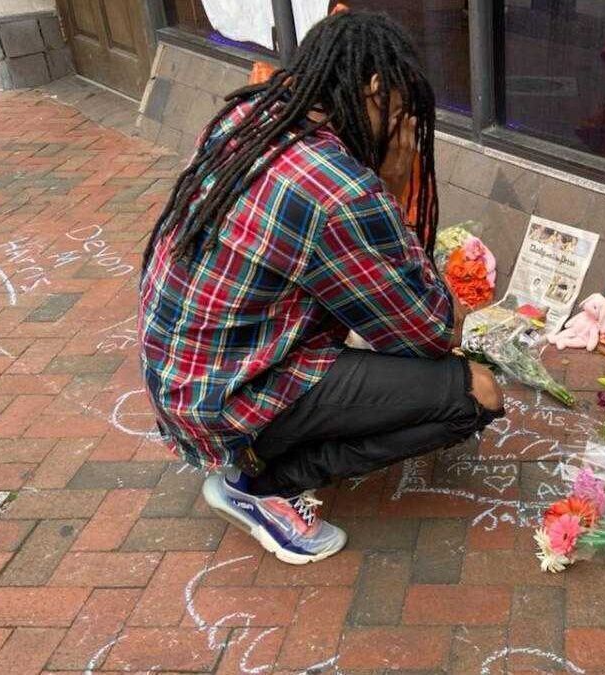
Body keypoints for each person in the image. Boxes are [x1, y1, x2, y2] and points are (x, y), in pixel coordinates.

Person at [138, 11, 504, 565]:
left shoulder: (247, 113)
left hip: (182, 379)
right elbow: (432, 332)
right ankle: (263, 487)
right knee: (476, 392)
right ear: (375, 91)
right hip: (232, 399)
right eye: (402, 113)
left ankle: (263, 455)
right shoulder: (342, 190)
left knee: (362, 335)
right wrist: (394, 188)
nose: (405, 131)